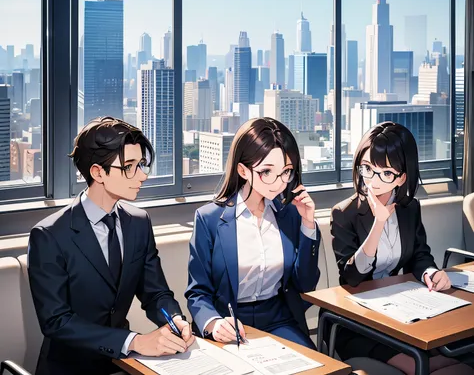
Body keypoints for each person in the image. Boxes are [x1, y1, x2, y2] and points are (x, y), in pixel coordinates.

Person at [28, 117, 194, 375]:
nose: (141, 176)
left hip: (124, 365)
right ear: (97, 172)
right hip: (69, 368)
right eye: (129, 167)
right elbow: (56, 322)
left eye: (141, 165)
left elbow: (155, 293)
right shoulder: (49, 235)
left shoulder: (139, 222)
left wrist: (174, 320)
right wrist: (134, 341)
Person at [331, 121, 473, 375]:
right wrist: (379, 224)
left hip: (402, 314)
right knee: (424, 366)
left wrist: (431, 272)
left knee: (457, 361)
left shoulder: (408, 208)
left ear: (402, 176)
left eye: (385, 173)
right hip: (358, 323)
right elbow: (350, 278)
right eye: (367, 169)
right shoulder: (345, 213)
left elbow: (420, 255)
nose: (373, 179)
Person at [186, 117, 320, 349]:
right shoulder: (208, 219)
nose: (279, 182)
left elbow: (306, 284)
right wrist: (213, 323)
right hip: (229, 322)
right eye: (267, 172)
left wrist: (308, 223)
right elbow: (197, 292)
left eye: (286, 171)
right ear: (243, 170)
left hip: (280, 319)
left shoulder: (291, 214)